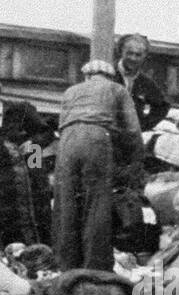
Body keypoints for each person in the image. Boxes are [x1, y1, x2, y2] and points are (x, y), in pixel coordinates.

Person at [54, 60, 143, 271]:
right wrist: (136, 160)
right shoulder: (117, 89)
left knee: (66, 204)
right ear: (110, 76)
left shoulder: (70, 91)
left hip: (66, 141)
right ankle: (95, 267)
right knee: (96, 204)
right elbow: (133, 130)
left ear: (86, 76)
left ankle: (66, 267)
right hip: (96, 138)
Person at [0, 74, 56, 249]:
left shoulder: (21, 109)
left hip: (33, 172)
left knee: (40, 219)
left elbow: (46, 133)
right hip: (6, 187)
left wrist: (33, 146)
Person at [116, 33, 169, 131]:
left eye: (138, 55)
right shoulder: (109, 75)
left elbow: (163, 106)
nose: (133, 58)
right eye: (129, 53)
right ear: (121, 52)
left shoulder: (146, 83)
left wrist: (143, 126)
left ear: (144, 56)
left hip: (131, 136)